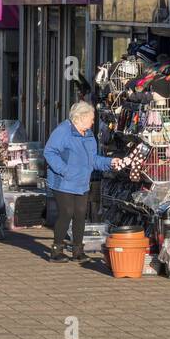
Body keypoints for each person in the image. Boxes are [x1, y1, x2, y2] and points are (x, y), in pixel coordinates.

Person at [43, 101, 112, 263]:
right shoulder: (63, 131)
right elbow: (49, 152)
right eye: (91, 118)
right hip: (63, 182)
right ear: (80, 117)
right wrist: (65, 170)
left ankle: (77, 251)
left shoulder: (88, 135)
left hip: (81, 182)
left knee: (81, 214)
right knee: (67, 212)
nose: (93, 121)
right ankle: (56, 250)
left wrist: (110, 162)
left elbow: (93, 160)